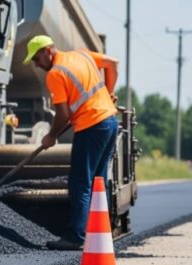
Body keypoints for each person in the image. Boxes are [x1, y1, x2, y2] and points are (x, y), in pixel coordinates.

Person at [23, 35, 119, 251]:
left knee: (80, 184)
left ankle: (76, 237)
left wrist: (51, 135)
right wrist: (109, 93)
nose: (36, 65)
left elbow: (63, 114)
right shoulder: (81, 55)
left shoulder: (56, 74)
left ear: (48, 51)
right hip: (110, 122)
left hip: (91, 127)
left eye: (36, 59)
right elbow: (113, 64)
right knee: (98, 183)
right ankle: (100, 233)